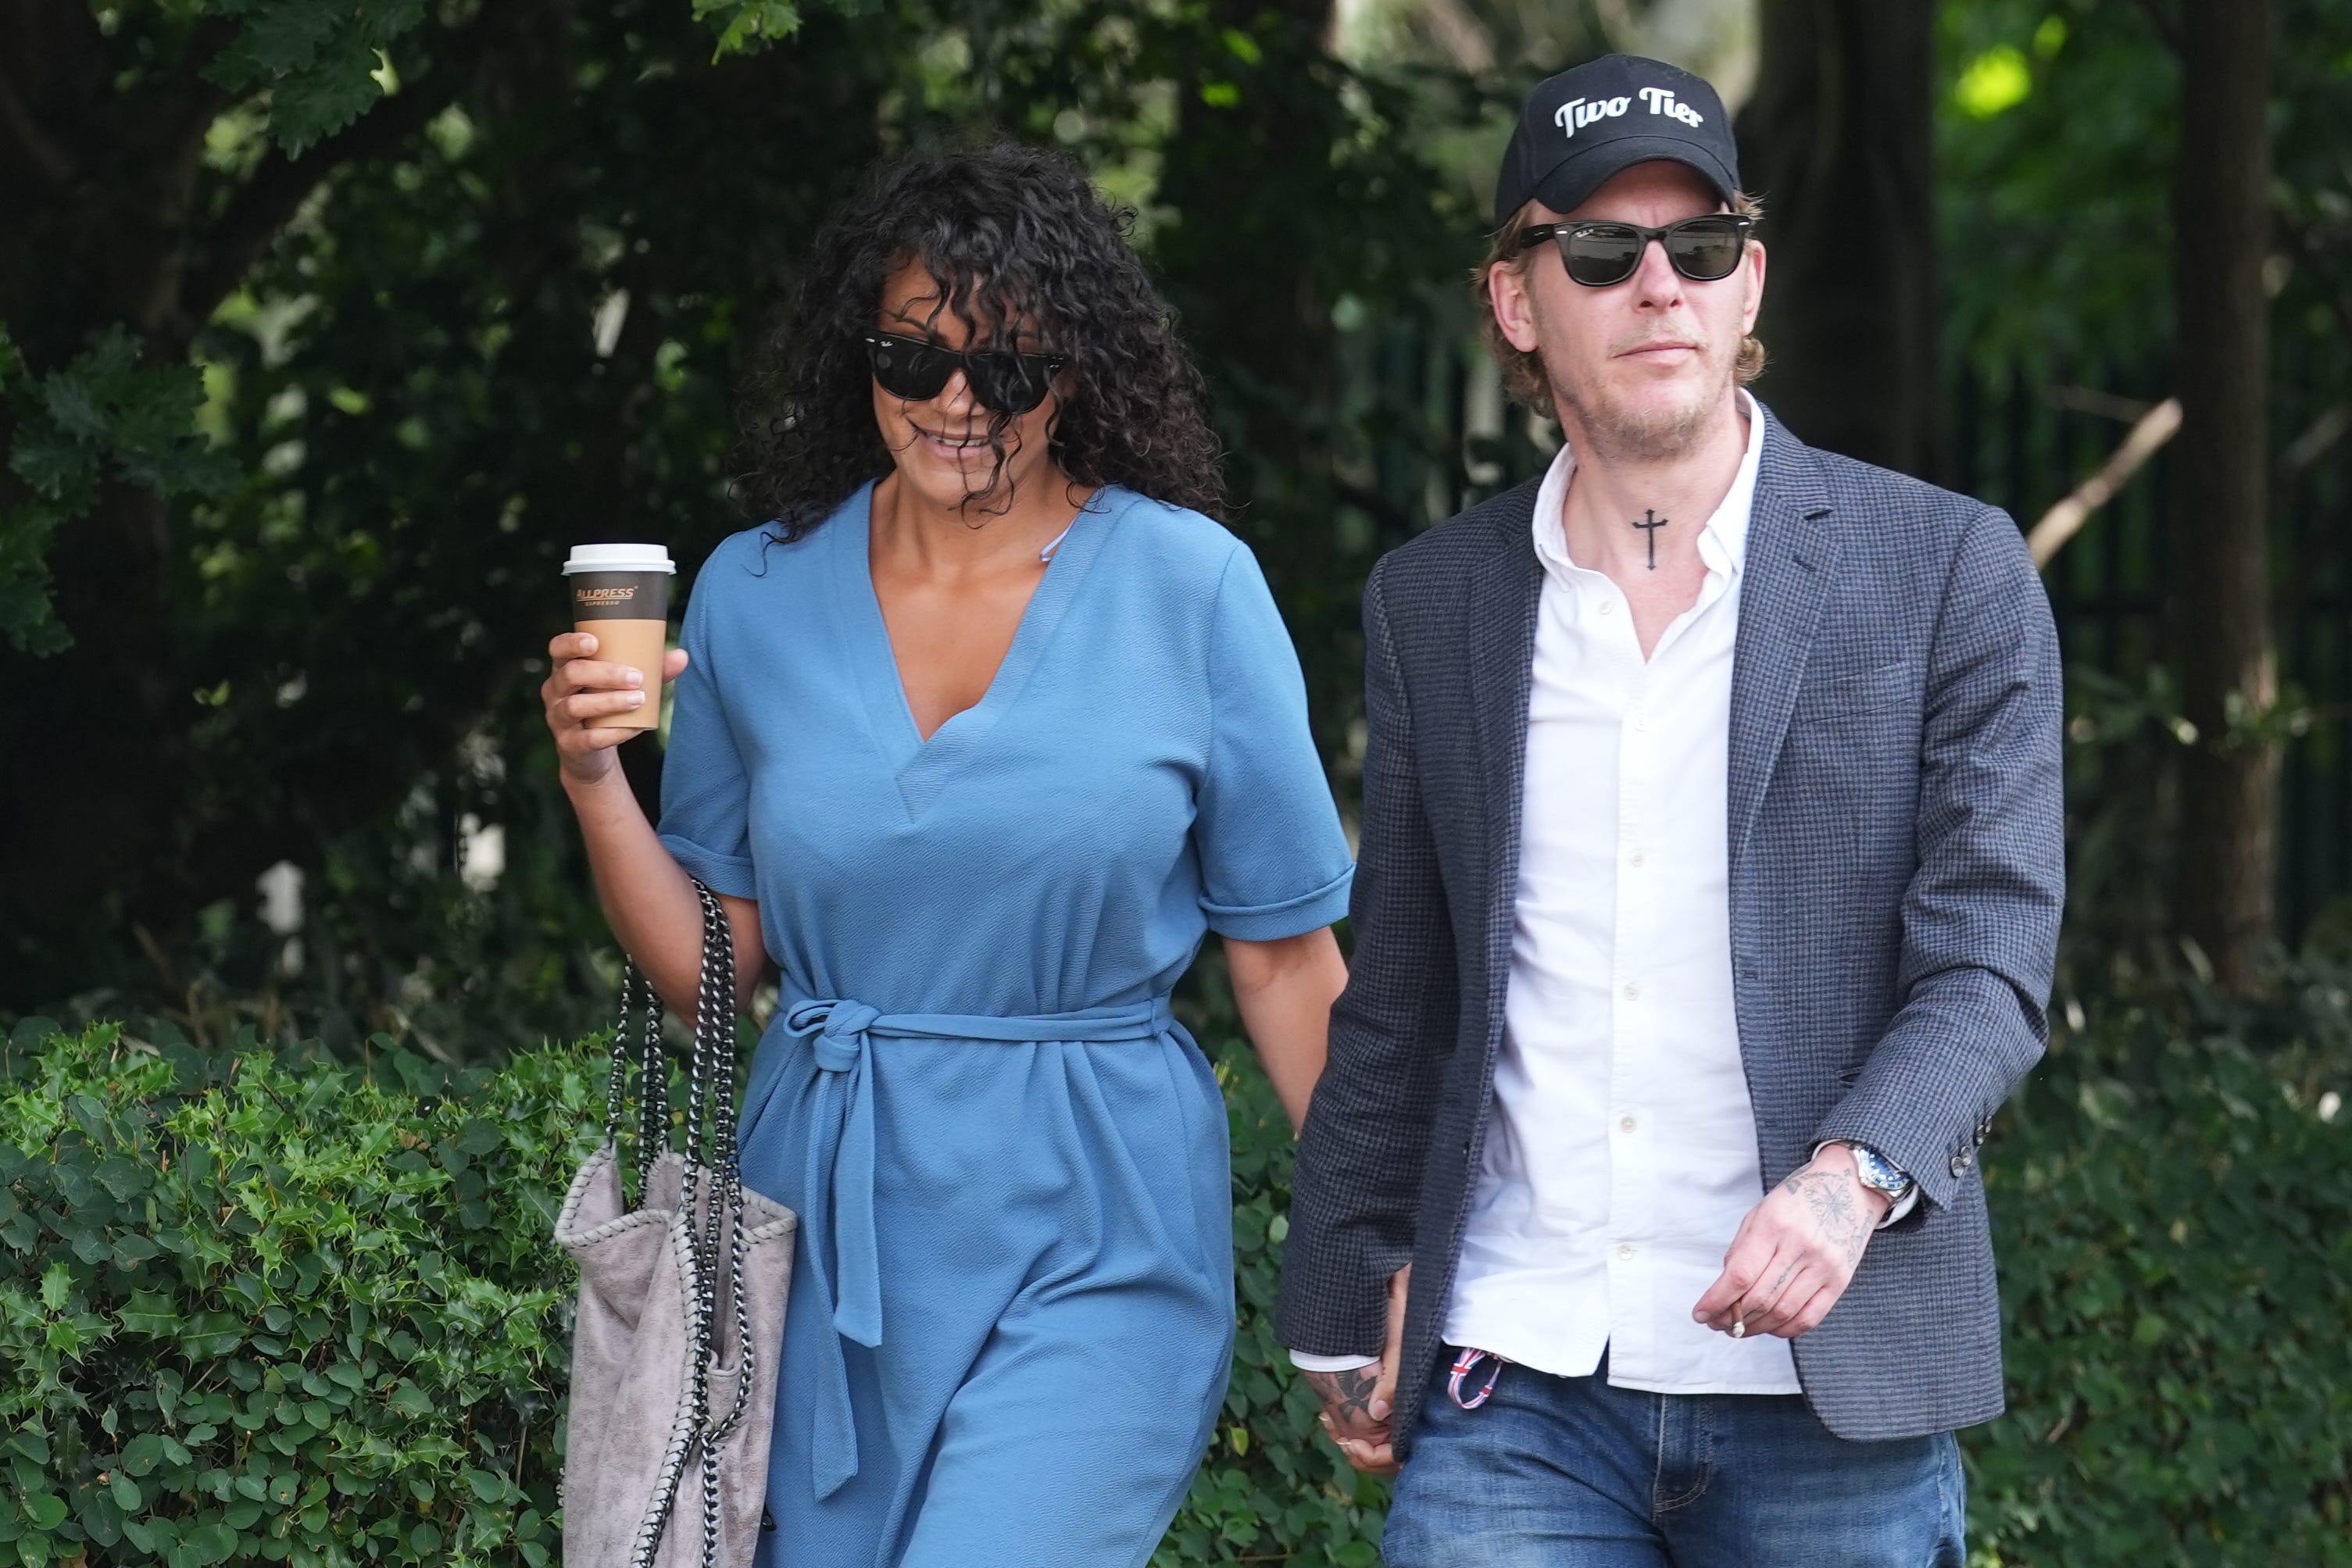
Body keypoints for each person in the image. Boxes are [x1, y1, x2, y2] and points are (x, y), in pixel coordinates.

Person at [1278, 55, 2064, 1566]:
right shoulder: (1432, 603)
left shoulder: (1946, 571)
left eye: (1696, 249)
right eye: (1599, 250)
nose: (1657, 286)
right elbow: (1403, 992)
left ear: (1746, 283)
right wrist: (1343, 1289)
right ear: (1517, 301)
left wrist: (1851, 1184)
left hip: (1828, 1386)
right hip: (1514, 1374)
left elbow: (1988, 966)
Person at [541, 142, 1354, 1568]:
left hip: (1100, 1215)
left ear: (1080, 372)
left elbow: (1285, 960)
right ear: (857, 360)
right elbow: (710, 979)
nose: (956, 404)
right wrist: (595, 775)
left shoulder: (1191, 587)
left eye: (1007, 367)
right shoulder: (755, 589)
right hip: (820, 1216)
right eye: (912, 359)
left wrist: (1373, 1244)